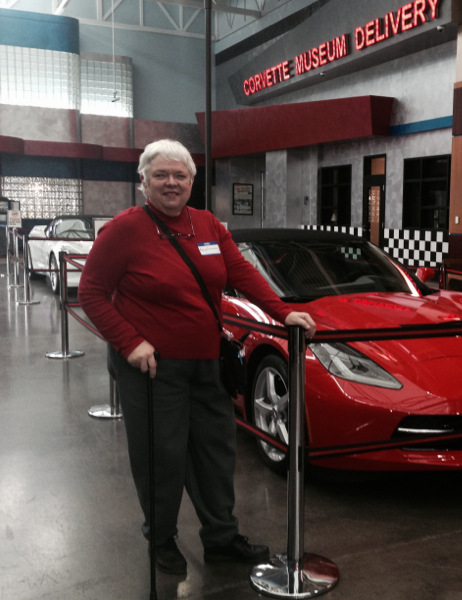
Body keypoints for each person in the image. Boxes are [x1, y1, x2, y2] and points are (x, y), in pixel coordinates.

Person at [78, 139, 316, 576]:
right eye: (161, 175)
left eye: (180, 175)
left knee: (216, 452)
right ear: (144, 181)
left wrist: (283, 312)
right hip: (152, 368)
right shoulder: (124, 230)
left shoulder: (207, 224)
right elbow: (90, 292)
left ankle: (221, 537)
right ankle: (161, 538)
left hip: (208, 363)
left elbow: (242, 273)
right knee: (161, 456)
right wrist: (130, 342)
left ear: (192, 181)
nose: (171, 183)